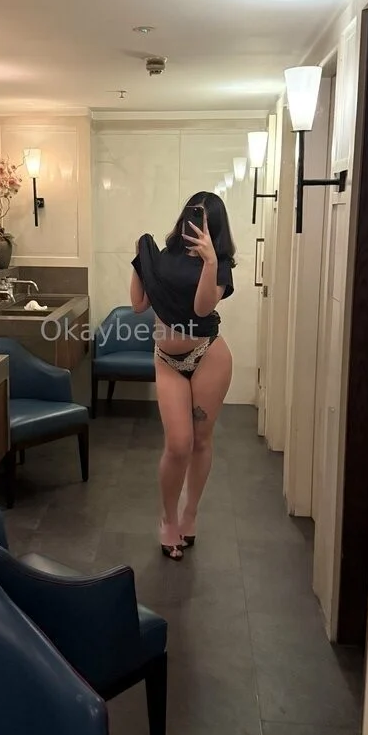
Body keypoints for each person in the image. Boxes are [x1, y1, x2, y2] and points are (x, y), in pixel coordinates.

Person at [130, 192, 235, 560]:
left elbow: (202, 308)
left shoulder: (220, 264)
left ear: (215, 225)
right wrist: (141, 262)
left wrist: (209, 260)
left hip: (208, 355)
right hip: (167, 361)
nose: (196, 222)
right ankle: (168, 518)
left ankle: (190, 514)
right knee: (178, 444)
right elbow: (139, 304)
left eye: (205, 218)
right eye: (193, 214)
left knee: (201, 441)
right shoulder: (164, 258)